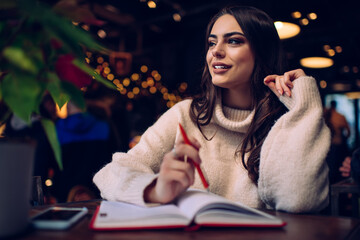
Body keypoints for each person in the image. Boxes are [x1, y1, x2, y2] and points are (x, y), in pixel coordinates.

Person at [93, 6, 331, 213]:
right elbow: (111, 174)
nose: (216, 51)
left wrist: (303, 105)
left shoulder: (282, 123)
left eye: (234, 40)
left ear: (262, 52)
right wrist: (155, 190)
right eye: (212, 42)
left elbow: (300, 200)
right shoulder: (186, 114)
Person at [324, 100, 351, 183]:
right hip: (338, 144)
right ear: (335, 105)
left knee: (329, 167)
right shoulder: (340, 116)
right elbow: (348, 132)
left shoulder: (324, 115)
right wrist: (344, 139)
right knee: (338, 167)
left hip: (326, 146)